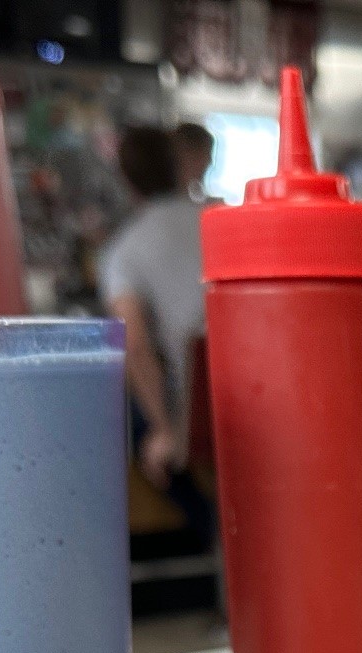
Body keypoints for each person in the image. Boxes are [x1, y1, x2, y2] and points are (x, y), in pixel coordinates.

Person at [99, 123, 215, 495]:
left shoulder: (124, 251)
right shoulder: (225, 219)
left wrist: (165, 431)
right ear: (177, 165)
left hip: (208, 414)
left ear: (127, 181)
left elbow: (132, 341)